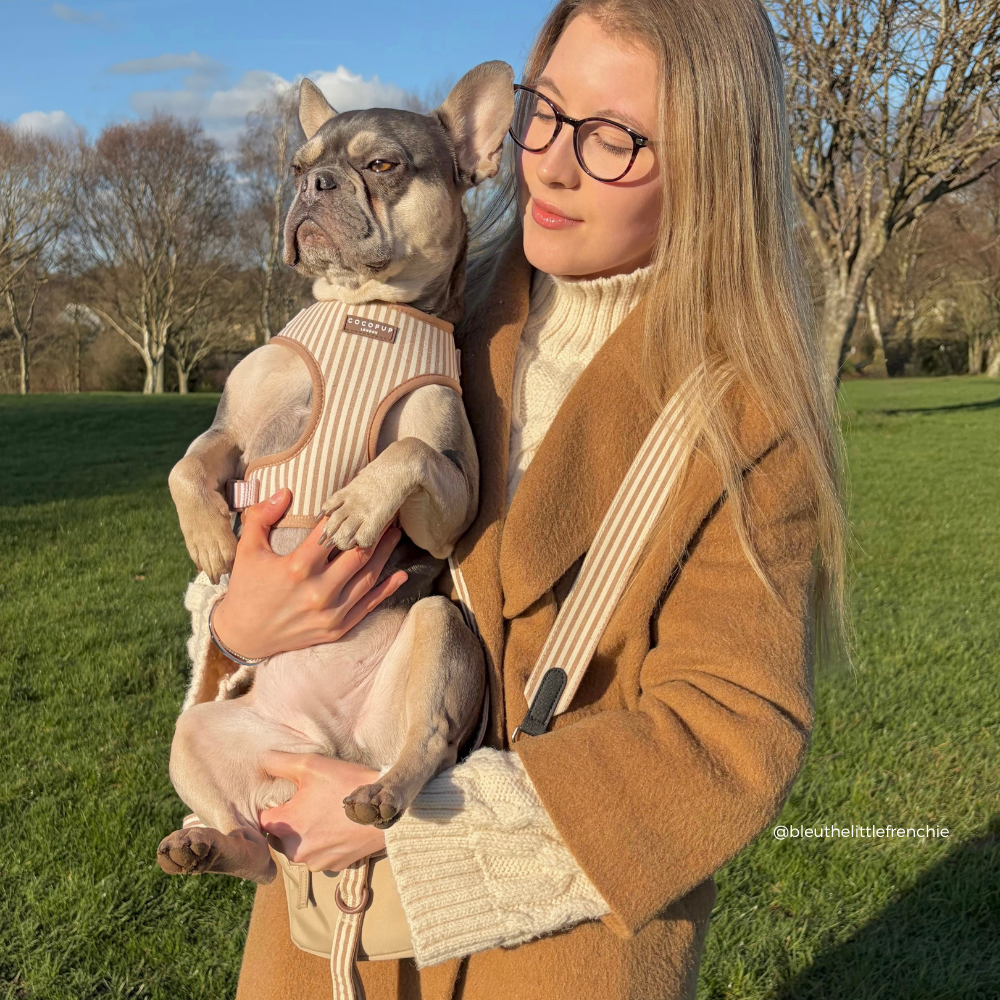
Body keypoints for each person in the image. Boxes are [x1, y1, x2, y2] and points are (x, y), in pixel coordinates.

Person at [193, 1, 846, 996]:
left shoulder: (747, 415)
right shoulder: (422, 318)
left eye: (615, 139)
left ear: (715, 169)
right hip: (319, 932)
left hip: (552, 949)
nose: (551, 162)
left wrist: (423, 825)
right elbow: (257, 532)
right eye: (544, 113)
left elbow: (729, 736)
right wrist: (234, 627)